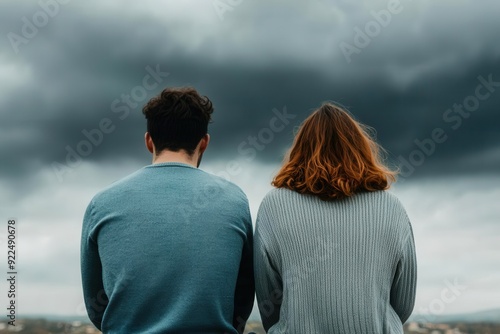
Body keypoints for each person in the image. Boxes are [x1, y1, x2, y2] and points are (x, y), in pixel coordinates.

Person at [80, 87, 254, 334]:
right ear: (204, 142)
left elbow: (95, 305)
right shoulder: (235, 200)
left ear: (149, 141)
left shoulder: (101, 203)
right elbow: (244, 294)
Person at [254, 102, 417, 333]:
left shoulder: (273, 206)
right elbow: (403, 303)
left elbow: (268, 302)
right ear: (360, 148)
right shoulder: (392, 208)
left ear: (300, 149)